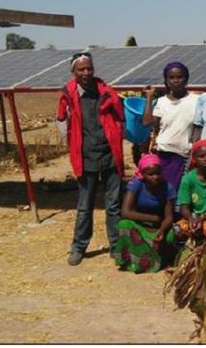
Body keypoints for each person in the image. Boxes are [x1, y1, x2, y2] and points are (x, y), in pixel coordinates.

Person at [57, 52, 125, 266]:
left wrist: (116, 134)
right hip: (85, 156)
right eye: (81, 69)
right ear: (73, 72)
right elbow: (61, 120)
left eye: (89, 68)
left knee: (113, 205)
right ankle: (78, 247)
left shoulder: (106, 91)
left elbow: (120, 116)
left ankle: (115, 246)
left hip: (110, 154)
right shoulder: (68, 95)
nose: (86, 72)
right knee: (85, 205)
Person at [115, 153, 176, 273]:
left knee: (171, 235)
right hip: (140, 225)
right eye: (150, 174)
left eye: (158, 173)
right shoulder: (136, 185)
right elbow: (125, 212)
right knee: (124, 224)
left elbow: (169, 217)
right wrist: (153, 218)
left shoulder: (167, 187)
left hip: (158, 227)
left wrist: (161, 231)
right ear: (142, 175)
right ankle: (136, 262)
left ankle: (156, 260)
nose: (155, 177)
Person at [143, 62, 198, 195]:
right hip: (163, 155)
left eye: (180, 77)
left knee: (180, 195)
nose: (176, 81)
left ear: (186, 79)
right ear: (166, 80)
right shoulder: (162, 102)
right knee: (163, 194)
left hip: (184, 156)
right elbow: (147, 122)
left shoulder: (196, 100)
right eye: (171, 78)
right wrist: (149, 98)